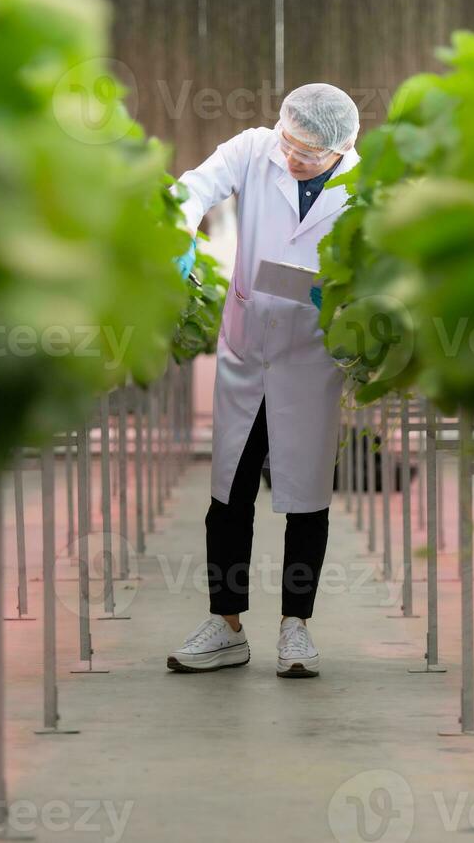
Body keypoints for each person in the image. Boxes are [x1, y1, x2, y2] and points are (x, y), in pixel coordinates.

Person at [166, 83, 360, 678]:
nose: (293, 157)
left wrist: (356, 291)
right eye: (289, 142)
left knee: (306, 498)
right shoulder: (254, 149)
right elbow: (193, 187)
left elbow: (383, 258)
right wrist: (180, 234)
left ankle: (295, 629)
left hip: (313, 356)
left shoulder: (367, 184)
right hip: (247, 349)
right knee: (230, 492)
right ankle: (225, 626)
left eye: (308, 153)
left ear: (341, 150)